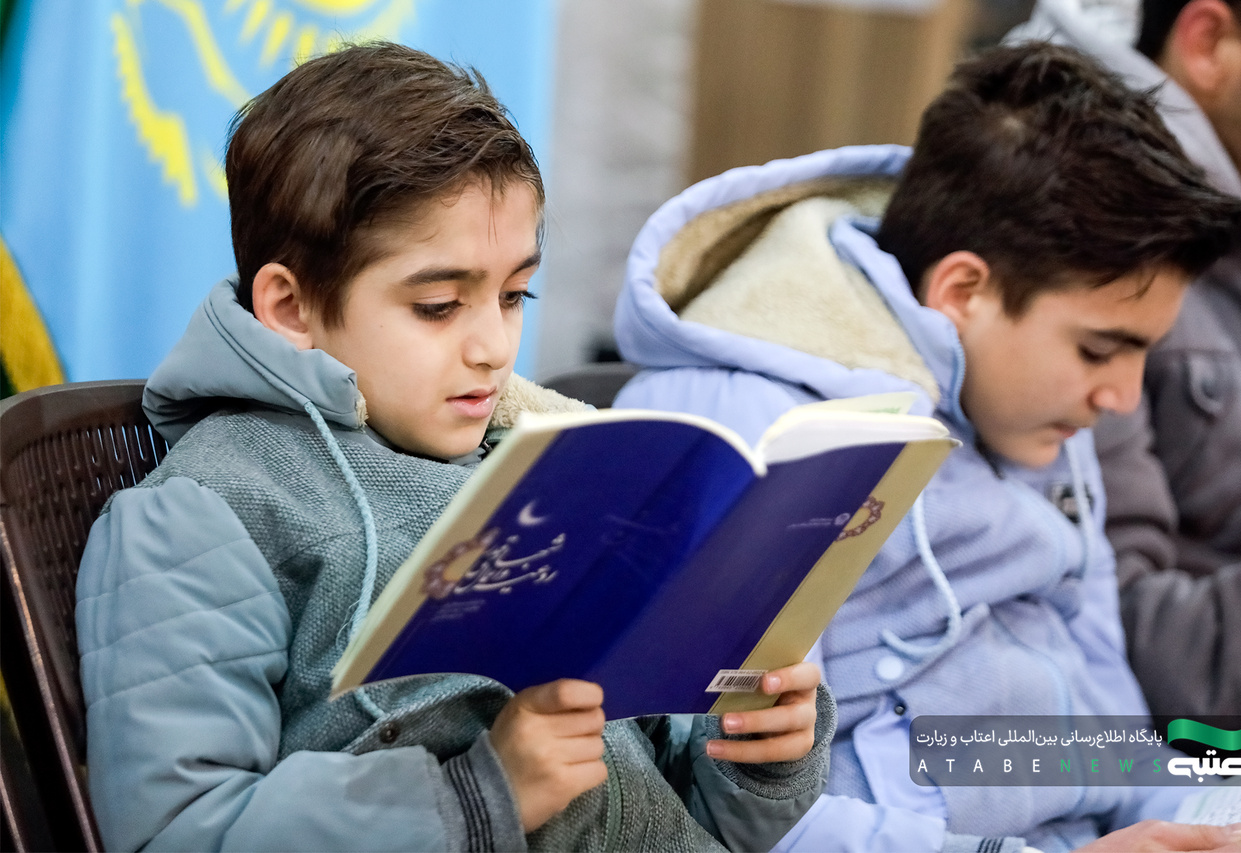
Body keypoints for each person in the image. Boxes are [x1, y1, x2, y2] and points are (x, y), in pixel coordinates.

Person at [75, 42, 834, 853]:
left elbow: (676, 815)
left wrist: (754, 752)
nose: (493, 348)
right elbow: (175, 830)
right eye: (439, 305)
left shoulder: (535, 467)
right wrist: (480, 793)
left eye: (514, 295)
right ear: (291, 308)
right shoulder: (203, 514)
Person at [612, 43, 1241, 853]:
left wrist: (1214, 821)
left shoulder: (1038, 420)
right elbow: (733, 812)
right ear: (964, 292)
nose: (1123, 398)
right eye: (1099, 350)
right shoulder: (743, 429)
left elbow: (1110, 729)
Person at [1007, 0, 1241, 736]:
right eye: (1103, 353)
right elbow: (1105, 649)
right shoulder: (1073, 225)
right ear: (1209, 43)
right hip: (1170, 751)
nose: (1118, 390)